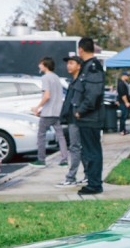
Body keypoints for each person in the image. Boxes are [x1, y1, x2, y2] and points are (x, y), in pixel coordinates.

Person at [72, 37, 106, 195]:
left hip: (90, 117)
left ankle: (94, 184)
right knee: (89, 150)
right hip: (88, 117)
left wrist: (81, 110)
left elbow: (93, 93)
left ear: (81, 49)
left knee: (91, 151)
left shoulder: (92, 67)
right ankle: (93, 182)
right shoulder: (89, 66)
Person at [55, 52, 84, 187]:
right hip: (72, 118)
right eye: (68, 63)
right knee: (79, 147)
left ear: (79, 66)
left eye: (72, 63)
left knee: (75, 147)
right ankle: (88, 174)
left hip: (77, 120)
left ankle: (71, 177)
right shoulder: (73, 81)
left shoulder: (80, 82)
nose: (68, 66)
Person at [30, 57, 64, 167]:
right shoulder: (56, 77)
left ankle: (41, 160)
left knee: (41, 135)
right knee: (60, 136)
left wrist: (38, 107)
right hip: (57, 111)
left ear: (45, 65)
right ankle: (64, 159)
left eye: (40, 64)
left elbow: (47, 96)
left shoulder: (45, 78)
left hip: (47, 112)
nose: (39, 66)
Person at [116, 70, 130, 135]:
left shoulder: (125, 83)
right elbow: (123, 94)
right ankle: (122, 130)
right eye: (127, 76)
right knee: (123, 116)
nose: (128, 77)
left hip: (124, 101)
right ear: (124, 76)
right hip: (123, 102)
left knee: (125, 116)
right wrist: (126, 102)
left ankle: (124, 129)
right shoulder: (121, 83)